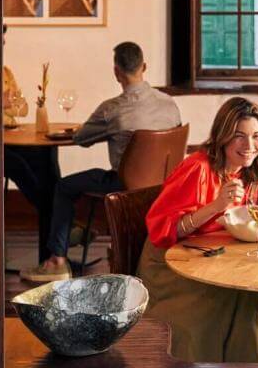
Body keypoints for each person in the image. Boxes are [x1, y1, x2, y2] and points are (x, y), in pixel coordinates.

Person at [139, 97, 258, 363]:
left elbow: (254, 218)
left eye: (256, 137)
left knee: (254, 291)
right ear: (223, 137)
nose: (250, 146)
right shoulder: (198, 168)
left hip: (219, 258)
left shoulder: (256, 173)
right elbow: (164, 230)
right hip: (173, 264)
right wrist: (216, 205)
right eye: (239, 136)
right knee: (240, 293)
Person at [20, 42, 182, 283]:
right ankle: (72, 232)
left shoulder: (112, 110)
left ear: (116, 72)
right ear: (144, 66)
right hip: (165, 185)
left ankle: (57, 261)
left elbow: (82, 138)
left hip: (125, 185)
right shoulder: (169, 103)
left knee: (63, 187)